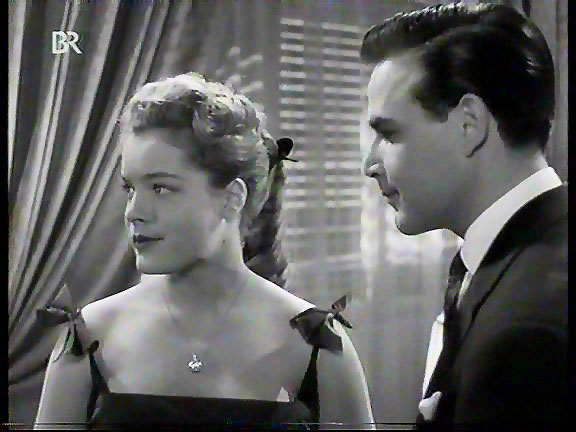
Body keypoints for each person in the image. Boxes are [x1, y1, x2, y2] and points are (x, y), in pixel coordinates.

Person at [34, 72, 374, 430]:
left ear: (232, 198)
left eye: (161, 188)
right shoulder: (88, 340)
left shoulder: (314, 345)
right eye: (130, 188)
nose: (134, 212)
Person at [359, 2, 567, 426]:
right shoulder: (518, 255)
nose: (370, 164)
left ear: (468, 125)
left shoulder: (525, 330)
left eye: (390, 134)